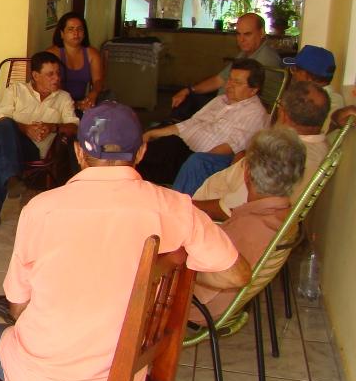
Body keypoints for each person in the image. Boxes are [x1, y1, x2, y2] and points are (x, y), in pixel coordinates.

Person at [0, 102, 249, 381]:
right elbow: (236, 274)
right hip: (123, 380)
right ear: (141, 153)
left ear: (79, 152)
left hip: (43, 374)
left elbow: (17, 308)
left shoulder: (41, 209)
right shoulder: (173, 207)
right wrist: (181, 263)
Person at [191, 127, 306, 323]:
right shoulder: (282, 216)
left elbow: (209, 277)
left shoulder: (251, 226)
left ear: (247, 174)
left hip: (201, 307)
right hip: (227, 300)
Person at [191, 81, 330, 221]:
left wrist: (188, 207)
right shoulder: (318, 146)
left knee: (196, 163)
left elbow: (230, 210)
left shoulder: (283, 156)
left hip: (210, 217)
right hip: (225, 188)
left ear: (283, 113)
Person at [0, 51, 78, 232]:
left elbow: (75, 127)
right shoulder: (16, 90)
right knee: (1, 126)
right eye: (50, 74)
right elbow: (2, 118)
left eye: (58, 73)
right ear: (35, 76)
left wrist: (52, 127)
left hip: (32, 150)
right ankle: (11, 178)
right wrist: (26, 128)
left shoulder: (63, 98)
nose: (56, 78)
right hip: (9, 141)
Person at [138, 58, 269, 187]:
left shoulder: (254, 113)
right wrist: (152, 134)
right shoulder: (220, 100)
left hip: (198, 160)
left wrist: (197, 162)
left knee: (150, 156)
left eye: (237, 82)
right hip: (179, 147)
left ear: (254, 90)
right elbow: (187, 125)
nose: (229, 85)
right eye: (229, 79)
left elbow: (230, 148)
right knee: (142, 150)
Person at [168, 12, 282, 120]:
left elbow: (245, 97)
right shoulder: (246, 53)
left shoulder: (266, 59)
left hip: (238, 111)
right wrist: (189, 90)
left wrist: (214, 108)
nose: (241, 39)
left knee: (187, 106)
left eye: (247, 34)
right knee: (185, 99)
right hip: (225, 103)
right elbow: (219, 80)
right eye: (238, 34)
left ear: (261, 33)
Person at [45, 12, 104, 112]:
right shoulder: (52, 54)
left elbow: (98, 81)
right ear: (62, 33)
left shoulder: (92, 53)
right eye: (70, 29)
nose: (76, 33)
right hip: (55, 104)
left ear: (84, 33)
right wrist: (73, 104)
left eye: (80, 29)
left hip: (82, 103)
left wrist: (93, 94)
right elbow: (49, 86)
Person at [282, 45, 344, 130]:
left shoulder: (329, 104)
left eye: (294, 69)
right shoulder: (331, 99)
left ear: (307, 76)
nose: (293, 74)